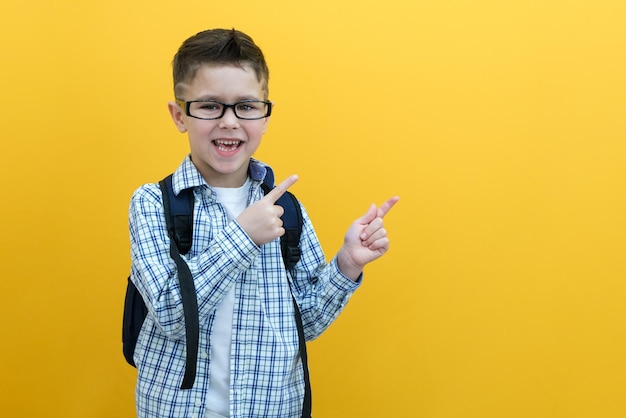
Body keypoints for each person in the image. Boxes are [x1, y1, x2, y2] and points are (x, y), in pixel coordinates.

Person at [128, 28, 399, 418]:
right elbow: (171, 315)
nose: (229, 122)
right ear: (179, 115)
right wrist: (242, 237)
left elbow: (303, 324)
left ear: (266, 114)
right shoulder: (153, 203)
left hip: (273, 408)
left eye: (247, 106)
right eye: (209, 106)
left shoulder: (286, 208)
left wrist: (347, 264)